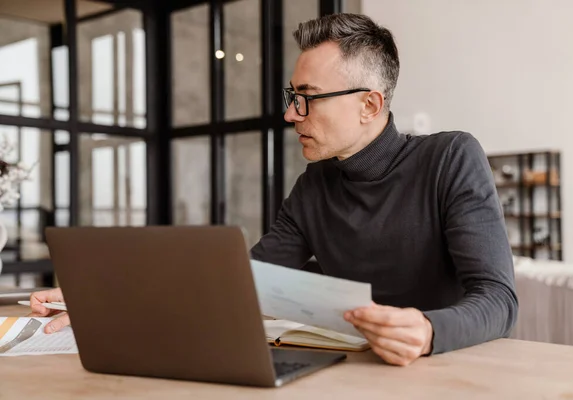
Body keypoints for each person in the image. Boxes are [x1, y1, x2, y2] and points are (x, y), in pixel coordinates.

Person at [29, 13, 518, 367]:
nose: (290, 115)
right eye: (291, 98)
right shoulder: (314, 185)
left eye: (306, 99)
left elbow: (499, 299)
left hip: (448, 371)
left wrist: (429, 330)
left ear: (370, 104)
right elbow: (242, 281)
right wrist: (105, 296)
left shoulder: (450, 157)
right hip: (352, 373)